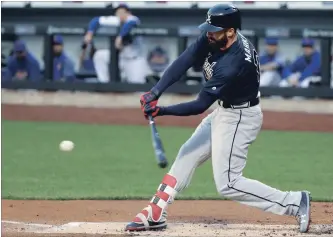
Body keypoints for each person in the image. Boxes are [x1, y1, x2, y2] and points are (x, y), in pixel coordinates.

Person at [125, 3, 311, 233]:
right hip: (226, 111)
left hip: (240, 117)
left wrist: (161, 110)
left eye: (214, 29)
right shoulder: (217, 37)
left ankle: (295, 202)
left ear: (231, 31)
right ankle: (156, 211)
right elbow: (186, 58)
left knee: (228, 183)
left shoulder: (233, 63)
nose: (208, 33)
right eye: (208, 28)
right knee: (187, 154)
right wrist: (155, 92)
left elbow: (200, 105)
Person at [84, 3, 149, 83]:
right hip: (120, 58)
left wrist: (120, 37)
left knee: (138, 88)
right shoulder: (116, 20)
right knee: (99, 55)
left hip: (134, 60)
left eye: (122, 12)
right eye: (118, 12)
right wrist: (90, 32)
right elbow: (96, 20)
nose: (120, 14)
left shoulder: (133, 19)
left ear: (128, 13)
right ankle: (105, 83)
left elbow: (129, 25)